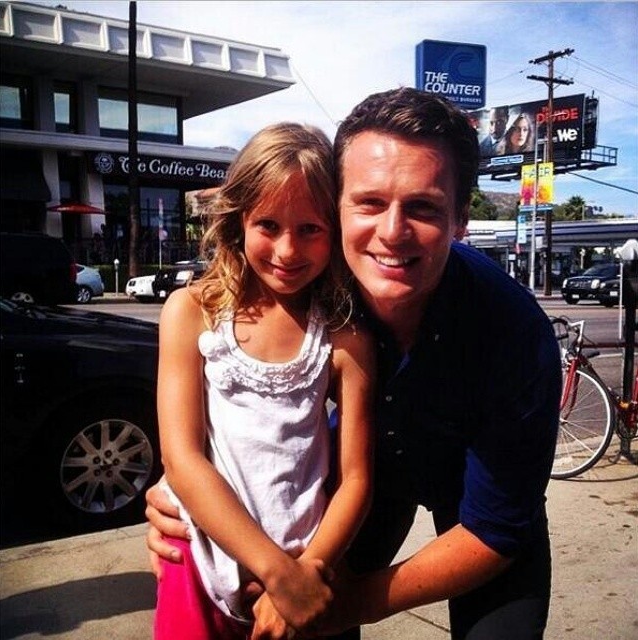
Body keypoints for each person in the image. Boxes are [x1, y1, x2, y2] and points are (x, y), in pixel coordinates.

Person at [146, 88, 561, 640]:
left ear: (461, 218)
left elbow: (497, 528)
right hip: (365, 483)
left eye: (423, 207)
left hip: (476, 503)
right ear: (335, 207)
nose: (391, 233)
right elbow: (241, 417)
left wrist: (336, 603)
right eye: (369, 203)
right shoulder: (312, 286)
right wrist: (183, 501)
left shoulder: (514, 333)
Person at [152, 122, 374, 639]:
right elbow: (181, 459)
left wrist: (307, 572)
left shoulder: (344, 337)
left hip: (306, 570)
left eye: (310, 229)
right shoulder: (192, 312)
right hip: (198, 566)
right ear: (238, 220)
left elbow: (356, 479)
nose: (287, 250)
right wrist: (278, 572)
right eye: (268, 225)